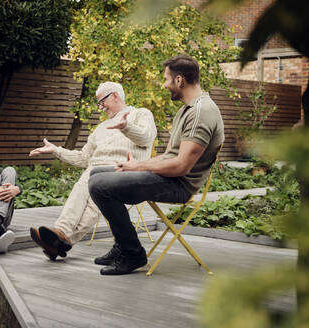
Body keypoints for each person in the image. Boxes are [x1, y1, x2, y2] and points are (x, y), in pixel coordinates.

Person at [88, 54, 225, 275]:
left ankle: (133, 254)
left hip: (179, 184)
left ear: (179, 80)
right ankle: (123, 244)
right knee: (96, 174)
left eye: (166, 79)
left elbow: (181, 166)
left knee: (99, 186)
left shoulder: (202, 113)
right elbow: (167, 156)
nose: (164, 84)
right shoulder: (186, 109)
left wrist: (139, 168)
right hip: (166, 176)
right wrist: (136, 165)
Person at [29, 81, 157, 260]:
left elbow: (146, 138)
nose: (100, 107)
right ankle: (60, 242)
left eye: (102, 101)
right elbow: (83, 158)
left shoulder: (140, 114)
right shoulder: (100, 128)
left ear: (115, 95)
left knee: (91, 176)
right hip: (98, 174)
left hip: (126, 171)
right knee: (91, 195)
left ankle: (61, 231)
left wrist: (125, 126)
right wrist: (55, 150)